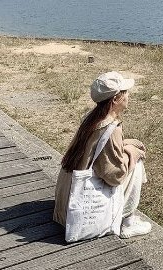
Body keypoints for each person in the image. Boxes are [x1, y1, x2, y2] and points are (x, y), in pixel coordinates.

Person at [53, 71, 151, 239]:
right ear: (115, 99)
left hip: (64, 205)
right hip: (80, 212)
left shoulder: (92, 119)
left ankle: (129, 218)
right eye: (125, 93)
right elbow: (115, 175)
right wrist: (133, 153)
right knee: (137, 163)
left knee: (133, 153)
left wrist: (127, 143)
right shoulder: (110, 127)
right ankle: (128, 222)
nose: (128, 96)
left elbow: (98, 149)